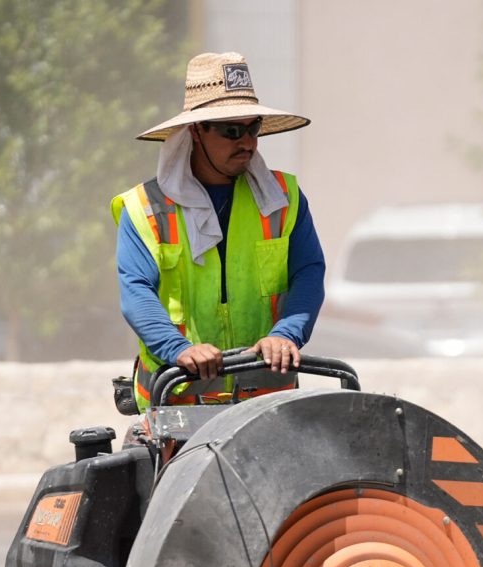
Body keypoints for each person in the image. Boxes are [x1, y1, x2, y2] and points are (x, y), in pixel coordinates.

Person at [112, 51, 325, 410]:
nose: (248, 142)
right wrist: (178, 349)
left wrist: (286, 334)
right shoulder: (145, 208)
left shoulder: (285, 198)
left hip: (266, 407)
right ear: (196, 131)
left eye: (253, 128)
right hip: (176, 404)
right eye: (232, 131)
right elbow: (136, 291)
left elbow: (309, 271)